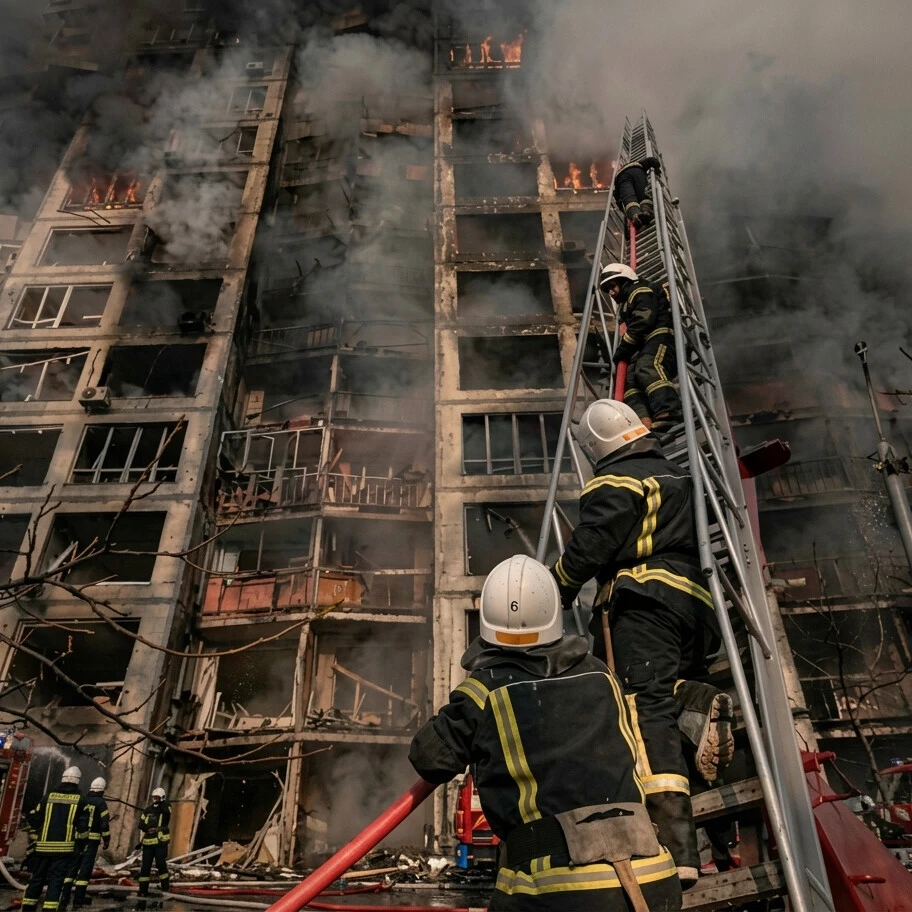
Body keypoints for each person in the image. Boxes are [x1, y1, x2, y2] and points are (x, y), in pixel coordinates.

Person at [409, 555, 682, 911]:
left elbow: (428, 757)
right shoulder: (601, 676)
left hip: (558, 889)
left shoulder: (485, 691)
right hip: (652, 879)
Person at [550, 399, 733, 886]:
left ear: (595, 447)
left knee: (643, 710)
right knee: (665, 696)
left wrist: (556, 589)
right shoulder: (676, 475)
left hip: (643, 606)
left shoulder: (614, 481)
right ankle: (694, 699)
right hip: (695, 610)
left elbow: (590, 545)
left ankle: (678, 852)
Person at [601, 262, 682, 436]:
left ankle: (669, 408)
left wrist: (623, 348)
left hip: (660, 337)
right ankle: (644, 423)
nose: (611, 292)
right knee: (629, 381)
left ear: (625, 280)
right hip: (643, 344)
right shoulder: (626, 303)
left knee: (648, 365)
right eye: (607, 288)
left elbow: (642, 322)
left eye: (612, 286)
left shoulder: (640, 290)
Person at [21, 766, 89, 912]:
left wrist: (34, 836)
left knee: (36, 880)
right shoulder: (81, 801)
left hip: (42, 848)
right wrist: (81, 846)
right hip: (64, 850)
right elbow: (83, 829)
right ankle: (49, 909)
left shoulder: (48, 797)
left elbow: (34, 818)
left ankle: (28, 907)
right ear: (77, 782)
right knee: (56, 882)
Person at [65, 778, 110, 908]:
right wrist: (106, 840)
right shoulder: (101, 803)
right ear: (102, 790)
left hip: (79, 838)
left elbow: (74, 819)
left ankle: (65, 897)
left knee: (72, 866)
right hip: (92, 840)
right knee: (85, 869)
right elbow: (105, 824)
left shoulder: (83, 800)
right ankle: (78, 900)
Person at [137, 788, 170, 897]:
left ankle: (165, 888)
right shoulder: (147, 810)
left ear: (162, 798)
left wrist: (160, 803)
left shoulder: (166, 807)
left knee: (161, 865)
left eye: (157, 798)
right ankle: (143, 890)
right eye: (154, 798)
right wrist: (147, 829)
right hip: (148, 843)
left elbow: (166, 812)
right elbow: (140, 824)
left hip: (160, 843)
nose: (155, 800)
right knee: (145, 867)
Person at [613, 157, 662, 229]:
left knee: (629, 198)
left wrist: (624, 212)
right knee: (643, 195)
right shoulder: (639, 163)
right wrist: (657, 169)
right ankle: (646, 211)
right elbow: (652, 160)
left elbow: (618, 198)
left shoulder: (618, 181)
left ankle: (635, 214)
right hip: (638, 172)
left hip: (621, 179)